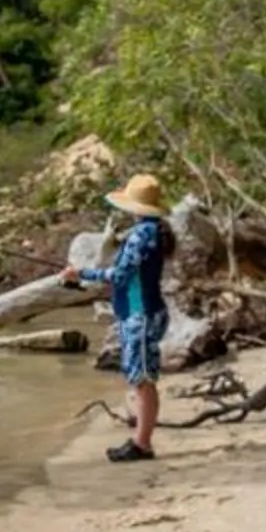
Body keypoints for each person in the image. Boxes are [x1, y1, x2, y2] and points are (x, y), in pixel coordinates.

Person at [65, 174, 175, 464]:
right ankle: (141, 438)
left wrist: (82, 274)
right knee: (142, 378)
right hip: (144, 313)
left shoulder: (142, 235)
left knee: (142, 380)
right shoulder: (150, 231)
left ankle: (142, 444)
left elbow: (120, 275)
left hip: (141, 315)